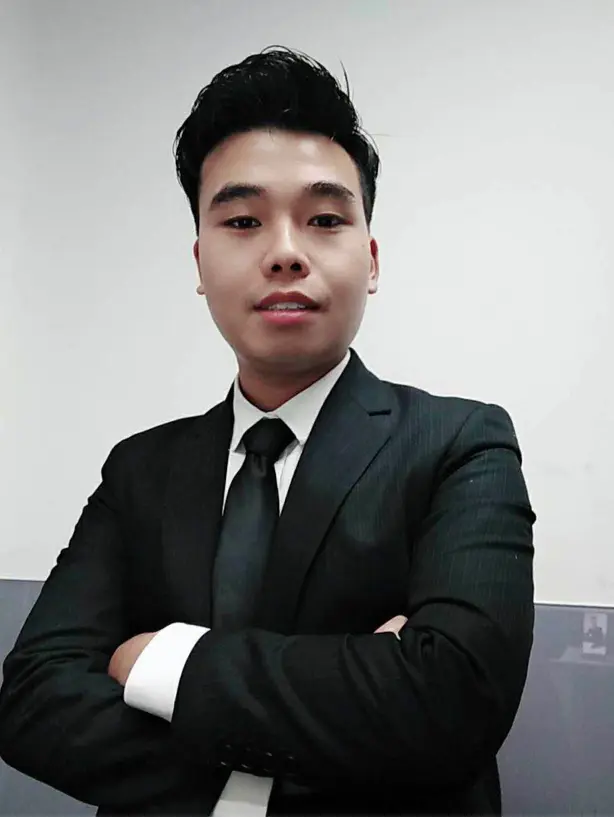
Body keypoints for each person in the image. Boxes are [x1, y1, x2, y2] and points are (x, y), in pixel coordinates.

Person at [0, 47, 536, 816]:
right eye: (244, 220)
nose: (285, 252)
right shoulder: (140, 469)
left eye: (325, 219)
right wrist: (352, 704)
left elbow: (452, 703)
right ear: (199, 261)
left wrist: (159, 659)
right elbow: (32, 699)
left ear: (371, 259)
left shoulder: (460, 443)